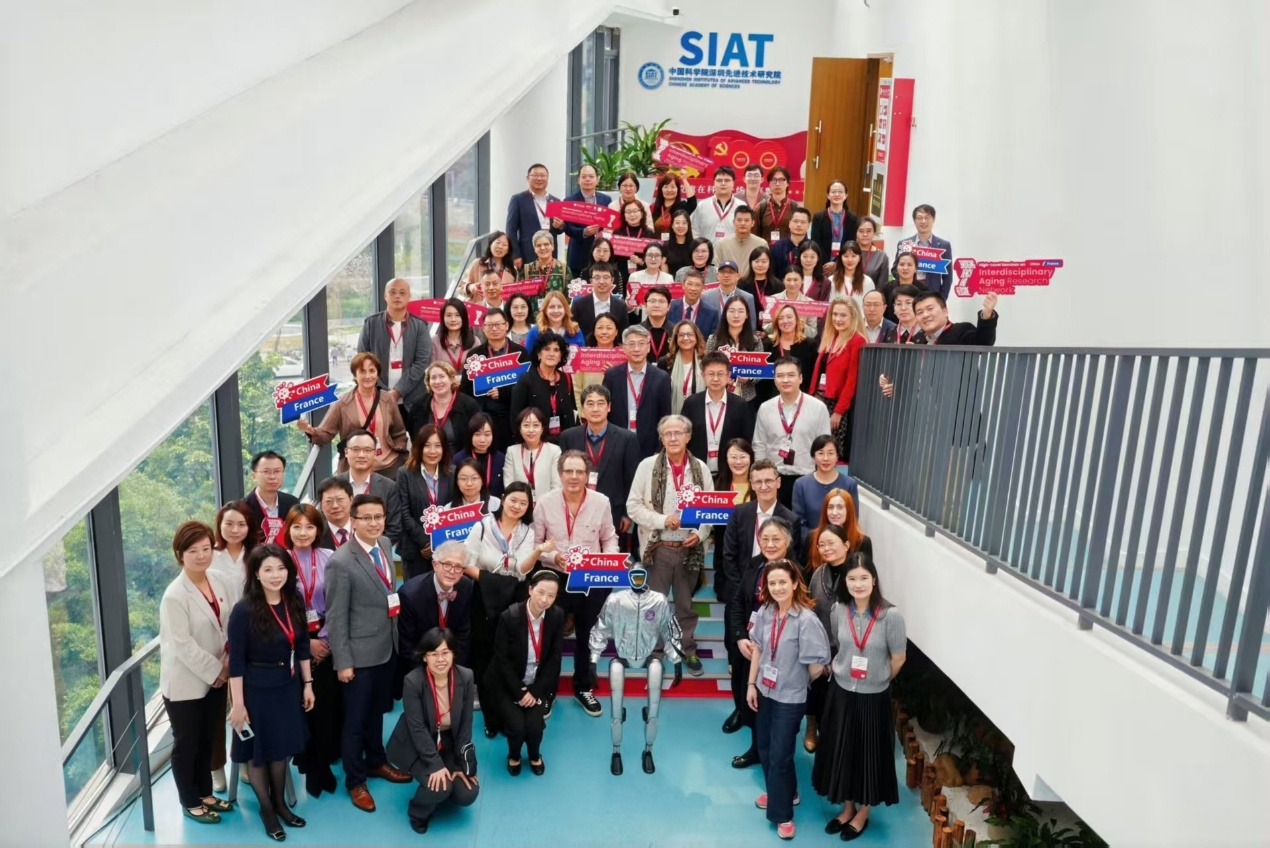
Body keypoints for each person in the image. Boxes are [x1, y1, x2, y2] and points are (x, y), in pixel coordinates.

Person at [324, 494, 412, 812]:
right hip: (358, 657)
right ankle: (355, 781)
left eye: (379, 517)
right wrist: (343, 662)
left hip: (387, 648)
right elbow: (336, 617)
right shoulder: (340, 562)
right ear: (353, 521)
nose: (374, 523)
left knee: (377, 713)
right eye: (366, 518)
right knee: (355, 721)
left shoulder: (385, 544)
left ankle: (376, 761)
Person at [813, 553, 906, 841]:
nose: (858, 584)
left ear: (874, 579)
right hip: (841, 692)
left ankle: (863, 813)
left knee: (868, 756)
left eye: (864, 577)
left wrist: (879, 678)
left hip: (873, 697)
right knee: (843, 752)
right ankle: (847, 808)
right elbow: (838, 644)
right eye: (852, 578)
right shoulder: (839, 610)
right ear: (845, 582)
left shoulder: (891, 615)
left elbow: (898, 658)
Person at [227, 543, 314, 840]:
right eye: (268, 570)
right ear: (256, 573)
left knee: (280, 748)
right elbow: (236, 662)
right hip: (256, 689)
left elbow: (302, 646)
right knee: (258, 753)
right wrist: (238, 704)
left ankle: (280, 804)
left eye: (281, 568)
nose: (276, 575)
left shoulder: (294, 600)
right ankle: (267, 810)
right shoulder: (244, 610)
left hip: (287, 684)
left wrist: (308, 684)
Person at [746, 558, 831, 841]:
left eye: (783, 582)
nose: (778, 587)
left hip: (790, 697)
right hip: (764, 690)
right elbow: (758, 649)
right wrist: (751, 684)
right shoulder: (766, 611)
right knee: (766, 747)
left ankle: (782, 814)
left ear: (795, 584)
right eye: (772, 583)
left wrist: (798, 680)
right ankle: (787, 792)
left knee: (781, 754)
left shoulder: (806, 620)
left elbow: (817, 666)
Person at [531, 450, 620, 717]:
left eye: (579, 472)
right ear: (560, 474)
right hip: (555, 576)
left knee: (587, 636)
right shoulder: (544, 503)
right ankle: (548, 690)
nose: (573, 477)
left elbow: (609, 538)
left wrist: (608, 562)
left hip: (590, 577)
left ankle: (583, 687)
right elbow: (535, 543)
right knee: (551, 637)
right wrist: (553, 556)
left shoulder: (601, 502)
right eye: (568, 471)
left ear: (587, 475)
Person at [159, 521, 234, 825]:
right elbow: (182, 644)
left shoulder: (218, 580)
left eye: (206, 549)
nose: (202, 556)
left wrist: (226, 663)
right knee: (187, 743)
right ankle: (190, 801)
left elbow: (228, 623)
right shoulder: (174, 595)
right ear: (180, 554)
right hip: (187, 682)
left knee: (208, 738)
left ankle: (205, 793)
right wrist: (217, 671)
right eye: (193, 551)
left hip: (218, 674)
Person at [626, 415, 712, 676]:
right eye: (667, 434)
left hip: (689, 550)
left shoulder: (701, 469)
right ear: (661, 438)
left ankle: (687, 648)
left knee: (685, 605)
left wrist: (699, 533)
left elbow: (710, 510)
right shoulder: (647, 466)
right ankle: (655, 651)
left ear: (688, 436)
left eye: (678, 433)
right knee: (655, 604)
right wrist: (662, 520)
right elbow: (633, 506)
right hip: (658, 548)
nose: (673, 438)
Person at [724, 515, 803, 768]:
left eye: (776, 539)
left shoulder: (795, 571)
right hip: (750, 646)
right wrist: (740, 637)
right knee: (751, 697)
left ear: (787, 542)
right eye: (765, 539)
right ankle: (757, 747)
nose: (770, 544)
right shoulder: (755, 564)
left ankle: (771, 753)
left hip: (779, 651)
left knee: (771, 705)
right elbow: (738, 602)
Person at [386, 627, 480, 834]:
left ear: (453, 654)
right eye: (434, 654)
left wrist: (460, 764)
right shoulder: (413, 681)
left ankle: (441, 794)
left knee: (468, 793)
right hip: (415, 742)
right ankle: (417, 812)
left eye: (445, 653)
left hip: (446, 739)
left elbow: (465, 724)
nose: (440, 659)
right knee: (441, 786)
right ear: (424, 657)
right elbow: (417, 728)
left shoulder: (465, 677)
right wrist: (436, 765)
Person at [280, 505, 342, 798]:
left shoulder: (330, 558)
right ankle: (311, 766)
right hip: (294, 643)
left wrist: (325, 639)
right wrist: (307, 642)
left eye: (309, 527)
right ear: (288, 529)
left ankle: (324, 762)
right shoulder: (279, 560)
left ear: (318, 530)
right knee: (303, 708)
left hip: (328, 641)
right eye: (297, 527)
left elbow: (339, 603)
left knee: (327, 707)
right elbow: (277, 609)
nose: (303, 533)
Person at [486, 571, 564, 774]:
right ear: (530, 590)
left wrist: (535, 691)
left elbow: (554, 657)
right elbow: (501, 659)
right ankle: (514, 756)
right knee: (516, 727)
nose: (544, 600)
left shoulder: (556, 616)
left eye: (551, 595)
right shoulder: (510, 616)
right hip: (509, 682)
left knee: (535, 727)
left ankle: (535, 755)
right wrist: (519, 691)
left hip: (537, 683)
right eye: (540, 592)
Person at [301, 352, 409, 479]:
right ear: (355, 375)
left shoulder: (387, 399)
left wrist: (399, 454)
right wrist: (310, 430)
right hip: (356, 469)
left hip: (388, 467)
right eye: (362, 371)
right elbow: (326, 434)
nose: (368, 376)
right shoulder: (342, 403)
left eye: (372, 371)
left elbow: (399, 433)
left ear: (377, 374)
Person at [558, 385, 640, 543]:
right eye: (590, 404)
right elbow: (562, 476)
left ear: (609, 407)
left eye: (600, 403)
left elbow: (632, 480)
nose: (595, 409)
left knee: (609, 553)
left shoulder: (627, 439)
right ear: (582, 409)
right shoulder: (568, 437)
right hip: (576, 510)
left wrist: (627, 513)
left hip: (613, 512)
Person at [754, 356, 833, 507]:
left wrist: (822, 477)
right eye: (780, 376)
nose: (785, 380)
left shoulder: (818, 408)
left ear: (800, 378)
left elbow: (824, 446)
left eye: (791, 375)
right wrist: (762, 477)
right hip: (774, 479)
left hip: (807, 477)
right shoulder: (765, 408)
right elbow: (759, 445)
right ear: (775, 380)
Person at [357, 277, 432, 431]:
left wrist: (398, 391)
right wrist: (384, 392)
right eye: (393, 292)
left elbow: (422, 363)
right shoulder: (371, 324)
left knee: (416, 441)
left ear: (409, 296)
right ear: (385, 296)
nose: (397, 296)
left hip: (413, 400)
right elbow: (362, 359)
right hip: (377, 397)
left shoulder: (420, 326)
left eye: (402, 293)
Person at [399, 541, 475, 677]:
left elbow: (463, 635)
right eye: (447, 564)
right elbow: (407, 645)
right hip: (420, 665)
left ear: (463, 571)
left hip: (451, 665)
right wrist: (427, 678)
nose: (452, 571)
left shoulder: (466, 587)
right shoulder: (410, 595)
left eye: (458, 566)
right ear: (435, 565)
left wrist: (456, 673)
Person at [458, 309, 525, 454]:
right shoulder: (474, 355)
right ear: (483, 328)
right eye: (489, 325)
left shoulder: (521, 353)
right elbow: (465, 390)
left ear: (506, 325)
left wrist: (504, 393)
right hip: (483, 417)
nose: (494, 329)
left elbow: (526, 386)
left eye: (498, 324)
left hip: (511, 416)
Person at [603, 324, 673, 459]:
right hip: (617, 443)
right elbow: (606, 411)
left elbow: (665, 416)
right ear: (624, 348)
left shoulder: (662, 377)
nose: (636, 349)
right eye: (631, 344)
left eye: (641, 344)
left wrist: (660, 448)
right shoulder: (612, 375)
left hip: (650, 446)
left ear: (648, 347)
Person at [809, 300, 867, 459]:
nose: (837, 319)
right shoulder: (831, 336)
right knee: (816, 447)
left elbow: (852, 379)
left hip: (836, 404)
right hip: (819, 398)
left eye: (843, 315)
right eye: (834, 314)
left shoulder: (857, 340)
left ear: (853, 317)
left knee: (830, 450)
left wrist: (838, 411)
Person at [397, 425, 455, 580]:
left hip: (446, 549)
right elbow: (404, 512)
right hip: (414, 549)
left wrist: (437, 541)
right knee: (415, 592)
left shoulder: (452, 473)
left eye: (437, 446)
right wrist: (426, 541)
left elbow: (455, 510)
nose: (432, 451)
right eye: (427, 446)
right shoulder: (405, 473)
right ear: (419, 447)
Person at [684, 352, 752, 475]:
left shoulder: (740, 404)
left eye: (720, 374)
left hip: (729, 472)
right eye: (711, 374)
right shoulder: (691, 403)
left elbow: (747, 440)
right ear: (703, 376)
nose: (715, 379)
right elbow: (684, 437)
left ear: (728, 376)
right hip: (696, 470)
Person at [338, 429, 404, 545]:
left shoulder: (389, 487)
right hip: (339, 548)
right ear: (346, 452)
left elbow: (394, 529)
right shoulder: (333, 485)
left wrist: (370, 548)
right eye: (356, 449)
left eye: (367, 450)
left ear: (375, 453)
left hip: (375, 550)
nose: (361, 455)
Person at [510, 330, 577, 443]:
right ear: (539, 354)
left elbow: (572, 410)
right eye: (547, 349)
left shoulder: (566, 378)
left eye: (556, 350)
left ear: (561, 356)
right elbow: (515, 417)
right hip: (536, 443)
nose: (551, 354)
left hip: (564, 442)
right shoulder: (526, 380)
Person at [409, 361, 482, 453]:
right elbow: (414, 436)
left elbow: (479, 435)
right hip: (428, 457)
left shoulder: (469, 405)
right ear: (428, 382)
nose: (437, 381)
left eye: (442, 376)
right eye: (433, 378)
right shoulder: (418, 406)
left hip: (459, 459)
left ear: (451, 379)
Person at [705, 295, 765, 407]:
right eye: (732, 311)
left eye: (741, 311)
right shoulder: (713, 340)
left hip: (747, 398)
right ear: (725, 314)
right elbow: (706, 366)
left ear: (747, 315)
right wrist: (722, 378)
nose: (736, 315)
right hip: (718, 396)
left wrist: (750, 378)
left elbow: (761, 370)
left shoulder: (755, 341)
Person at [793, 435, 861, 532]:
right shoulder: (801, 484)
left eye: (830, 453)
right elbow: (799, 523)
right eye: (821, 453)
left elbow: (852, 519)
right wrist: (817, 540)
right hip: (811, 540)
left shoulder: (849, 484)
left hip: (841, 539)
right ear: (814, 457)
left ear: (837, 456)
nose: (825, 458)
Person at [506, 164, 563, 267]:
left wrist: (561, 225)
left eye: (542, 175)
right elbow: (511, 229)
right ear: (528, 178)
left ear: (547, 178)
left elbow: (559, 231)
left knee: (550, 277)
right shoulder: (518, 199)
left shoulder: (555, 201)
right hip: (527, 252)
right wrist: (515, 254)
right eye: (535, 175)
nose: (539, 178)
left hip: (550, 252)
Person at [892, 203, 953, 299]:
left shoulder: (944, 246)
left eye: (927, 218)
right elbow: (895, 269)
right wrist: (905, 280)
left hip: (932, 295)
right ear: (914, 221)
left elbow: (947, 278)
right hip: (908, 294)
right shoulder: (904, 244)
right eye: (919, 218)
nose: (923, 221)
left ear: (933, 220)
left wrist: (941, 299)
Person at [563, 164, 613, 277]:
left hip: (602, 255)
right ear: (578, 180)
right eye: (584, 176)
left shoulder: (606, 200)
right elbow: (568, 227)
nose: (587, 179)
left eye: (591, 176)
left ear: (597, 179)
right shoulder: (569, 201)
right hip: (579, 254)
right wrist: (584, 232)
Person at [806, 490, 871, 573]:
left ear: (848, 510)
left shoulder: (862, 541)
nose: (834, 513)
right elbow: (806, 572)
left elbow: (867, 573)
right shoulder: (812, 537)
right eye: (830, 507)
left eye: (840, 507)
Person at [503, 407, 563, 497]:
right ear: (520, 429)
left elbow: (557, 485)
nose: (531, 430)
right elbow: (509, 485)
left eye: (536, 425)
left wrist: (545, 503)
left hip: (547, 503)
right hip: (519, 503)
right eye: (526, 425)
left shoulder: (554, 451)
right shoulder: (512, 452)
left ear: (542, 428)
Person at [244, 451, 300, 542]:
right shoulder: (243, 507)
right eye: (266, 472)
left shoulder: (292, 503)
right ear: (253, 476)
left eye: (277, 471)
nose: (272, 476)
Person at [210, 500, 257, 609]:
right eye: (229, 524)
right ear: (220, 525)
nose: (235, 530)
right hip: (217, 616)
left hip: (251, 615)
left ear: (249, 527)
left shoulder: (257, 555)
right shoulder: (209, 555)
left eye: (241, 524)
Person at [571, 312, 622, 410]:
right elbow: (577, 389)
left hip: (618, 410)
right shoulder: (583, 355)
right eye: (600, 328)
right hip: (590, 411)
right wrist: (581, 412)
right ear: (594, 332)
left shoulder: (624, 355)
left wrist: (615, 374)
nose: (604, 332)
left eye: (609, 328)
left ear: (616, 332)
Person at [911, 290, 999, 345]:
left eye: (930, 309)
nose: (925, 315)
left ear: (945, 311)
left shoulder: (962, 331)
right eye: (920, 312)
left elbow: (983, 344)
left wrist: (987, 314)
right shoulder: (918, 340)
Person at [766, 304, 818, 394]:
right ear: (776, 322)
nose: (785, 321)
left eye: (789, 317)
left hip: (802, 397)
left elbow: (814, 376)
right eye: (781, 318)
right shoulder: (768, 345)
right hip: (774, 398)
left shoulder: (809, 345)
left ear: (797, 320)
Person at [811, 180, 860, 275]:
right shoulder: (818, 217)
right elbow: (816, 243)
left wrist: (836, 263)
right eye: (833, 192)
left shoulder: (853, 219)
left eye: (840, 192)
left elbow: (851, 244)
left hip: (844, 265)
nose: (837, 194)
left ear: (846, 195)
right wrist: (826, 265)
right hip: (822, 266)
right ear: (828, 195)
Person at [453, 413, 506, 500]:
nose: (482, 440)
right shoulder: (459, 459)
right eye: (477, 434)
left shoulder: (500, 458)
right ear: (470, 435)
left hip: (494, 505)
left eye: (487, 434)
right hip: (467, 504)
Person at [571, 261, 629, 339]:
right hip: (586, 346)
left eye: (605, 277)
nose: (601, 282)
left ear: (612, 280)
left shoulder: (621, 306)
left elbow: (624, 335)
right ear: (591, 281)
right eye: (597, 278)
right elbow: (572, 332)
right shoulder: (579, 304)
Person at [661, 319, 708, 415]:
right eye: (681, 335)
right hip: (671, 417)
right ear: (676, 338)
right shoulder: (665, 362)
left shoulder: (706, 362)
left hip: (699, 415)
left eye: (690, 334)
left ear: (697, 338)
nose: (685, 338)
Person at [714, 204, 768, 278]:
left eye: (746, 220)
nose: (743, 223)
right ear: (734, 222)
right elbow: (717, 268)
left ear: (752, 223)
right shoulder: (722, 244)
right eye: (739, 220)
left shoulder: (761, 244)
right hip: (729, 282)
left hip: (752, 283)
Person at [691, 165, 739, 243]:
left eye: (727, 180)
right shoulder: (702, 205)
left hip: (732, 250)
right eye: (719, 180)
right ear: (714, 182)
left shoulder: (741, 206)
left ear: (733, 183)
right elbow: (694, 230)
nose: (723, 183)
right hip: (707, 250)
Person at [667, 268, 719, 338]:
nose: (693, 288)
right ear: (683, 285)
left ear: (703, 287)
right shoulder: (670, 307)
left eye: (697, 285)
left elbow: (712, 340)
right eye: (690, 284)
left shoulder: (711, 313)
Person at [431, 299, 476, 376]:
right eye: (448, 315)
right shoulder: (435, 341)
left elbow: (479, 371)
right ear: (443, 318)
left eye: (457, 315)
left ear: (464, 317)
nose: (453, 319)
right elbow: (431, 371)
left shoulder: (474, 341)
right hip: (442, 383)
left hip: (468, 383)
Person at [520, 230, 570, 299]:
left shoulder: (562, 268)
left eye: (546, 244)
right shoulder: (527, 270)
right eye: (538, 245)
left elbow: (569, 297)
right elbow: (521, 297)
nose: (542, 248)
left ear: (552, 246)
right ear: (534, 249)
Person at [828, 241, 874, 312]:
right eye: (846, 256)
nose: (850, 260)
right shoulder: (831, 280)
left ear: (859, 258)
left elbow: (870, 305)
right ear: (841, 258)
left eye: (853, 256)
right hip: (838, 318)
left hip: (860, 318)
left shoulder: (867, 281)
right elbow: (829, 306)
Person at [771, 207, 814, 279]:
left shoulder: (813, 248)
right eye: (795, 221)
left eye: (803, 222)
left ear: (808, 225)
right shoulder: (778, 246)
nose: (799, 225)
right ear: (789, 223)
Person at [649, 171, 697, 236]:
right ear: (661, 189)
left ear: (677, 189)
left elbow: (692, 203)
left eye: (672, 187)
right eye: (666, 187)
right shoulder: (654, 208)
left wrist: (684, 179)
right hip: (657, 242)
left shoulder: (682, 207)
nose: (669, 190)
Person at [582, 237, 629, 302]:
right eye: (598, 250)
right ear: (592, 252)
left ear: (610, 254)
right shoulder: (584, 272)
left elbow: (620, 296)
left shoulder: (616, 273)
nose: (601, 254)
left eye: (605, 251)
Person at [756, 166, 795, 243]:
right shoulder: (760, 208)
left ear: (788, 183)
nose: (777, 184)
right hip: (766, 249)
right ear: (769, 183)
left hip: (788, 250)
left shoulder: (795, 208)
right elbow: (754, 236)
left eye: (782, 180)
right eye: (774, 180)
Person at [740, 245, 780, 317]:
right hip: (748, 322)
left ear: (770, 264)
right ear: (751, 263)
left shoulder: (778, 285)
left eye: (764, 262)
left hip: (771, 322)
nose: (760, 265)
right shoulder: (742, 284)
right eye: (756, 261)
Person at [638, 285, 674, 361]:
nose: (657, 305)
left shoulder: (675, 331)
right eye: (652, 301)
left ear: (669, 306)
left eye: (661, 301)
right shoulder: (637, 331)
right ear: (645, 305)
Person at [317, 477, 354, 550]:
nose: (335, 506)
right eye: (329, 501)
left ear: (351, 500)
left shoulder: (365, 528)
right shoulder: (316, 535)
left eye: (340, 499)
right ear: (321, 505)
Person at [855, 217, 889, 289]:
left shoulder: (881, 256)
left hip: (872, 294)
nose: (865, 234)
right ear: (856, 233)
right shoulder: (847, 252)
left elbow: (882, 286)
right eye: (861, 231)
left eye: (869, 231)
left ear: (874, 233)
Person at [662, 209, 696, 275]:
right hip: (672, 281)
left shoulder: (695, 246)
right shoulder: (666, 246)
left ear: (688, 225)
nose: (681, 226)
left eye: (684, 223)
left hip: (691, 281)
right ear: (672, 225)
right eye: (677, 223)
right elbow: (664, 273)